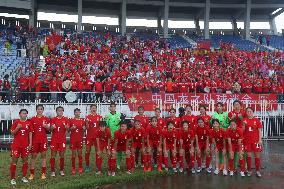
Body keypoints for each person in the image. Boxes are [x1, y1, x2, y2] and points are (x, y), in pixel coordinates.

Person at [10, 109, 32, 185]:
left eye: (26, 113)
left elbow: (30, 134)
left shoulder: (28, 123)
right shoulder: (16, 122)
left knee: (25, 161)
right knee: (14, 162)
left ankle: (24, 177)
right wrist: (17, 128)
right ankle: (13, 178)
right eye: (23, 113)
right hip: (16, 145)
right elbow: (12, 133)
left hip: (25, 145)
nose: (24, 115)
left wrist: (30, 144)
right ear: (19, 114)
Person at [29, 105, 50, 180]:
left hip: (43, 140)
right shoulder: (32, 119)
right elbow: (30, 131)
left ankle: (43, 173)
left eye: (41, 109)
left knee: (43, 156)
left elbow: (49, 129)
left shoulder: (46, 118)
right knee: (33, 156)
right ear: (36, 110)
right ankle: (32, 174)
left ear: (43, 110)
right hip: (35, 141)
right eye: (38, 109)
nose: (40, 110)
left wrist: (46, 126)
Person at [243, 107, 263, 178]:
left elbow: (260, 131)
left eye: (250, 111)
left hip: (256, 141)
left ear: (253, 112)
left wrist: (260, 140)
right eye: (247, 111)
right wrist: (244, 125)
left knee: (257, 156)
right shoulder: (244, 120)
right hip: (247, 141)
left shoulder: (257, 120)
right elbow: (242, 131)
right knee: (248, 156)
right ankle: (249, 170)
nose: (249, 113)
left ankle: (257, 170)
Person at [50, 106, 69, 177]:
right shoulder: (53, 119)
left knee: (62, 155)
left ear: (63, 112)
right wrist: (52, 127)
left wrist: (67, 128)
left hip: (62, 140)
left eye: (61, 111)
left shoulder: (65, 119)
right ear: (56, 112)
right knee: (53, 155)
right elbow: (50, 129)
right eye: (58, 111)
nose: (60, 112)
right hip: (54, 140)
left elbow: (68, 129)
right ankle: (52, 171)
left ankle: (61, 170)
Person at [84, 104, 102, 172]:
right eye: (92, 108)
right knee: (87, 151)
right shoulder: (88, 117)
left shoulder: (99, 117)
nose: (93, 109)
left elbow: (101, 127)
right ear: (90, 109)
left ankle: (98, 165)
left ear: (96, 109)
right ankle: (87, 166)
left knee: (97, 151)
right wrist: (87, 123)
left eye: (94, 108)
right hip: (89, 137)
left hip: (97, 137)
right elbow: (87, 128)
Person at [69, 108, 85, 175]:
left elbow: (84, 129)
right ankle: (73, 168)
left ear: (80, 113)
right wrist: (71, 128)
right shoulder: (71, 120)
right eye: (76, 112)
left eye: (78, 112)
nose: (77, 113)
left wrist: (84, 129)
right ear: (74, 113)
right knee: (73, 154)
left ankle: (80, 167)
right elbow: (68, 129)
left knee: (80, 154)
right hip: (73, 140)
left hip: (80, 140)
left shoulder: (82, 120)